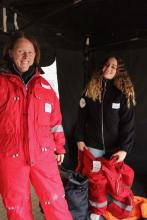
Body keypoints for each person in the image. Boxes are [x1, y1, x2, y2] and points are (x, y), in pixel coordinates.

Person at [0, 32, 72, 220]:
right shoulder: (1, 84)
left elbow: (55, 122)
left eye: (30, 52)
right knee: (17, 206)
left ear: (36, 55)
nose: (26, 56)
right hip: (11, 154)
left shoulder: (45, 86)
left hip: (43, 153)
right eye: (21, 51)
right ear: (10, 52)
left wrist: (59, 146)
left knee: (56, 200)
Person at [76, 56, 136, 220]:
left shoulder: (122, 94)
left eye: (114, 66)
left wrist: (124, 149)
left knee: (113, 180)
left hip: (114, 149)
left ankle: (115, 208)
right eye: (107, 65)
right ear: (102, 67)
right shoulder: (91, 89)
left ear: (119, 71)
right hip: (93, 146)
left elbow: (128, 125)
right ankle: (97, 212)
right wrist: (79, 138)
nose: (109, 68)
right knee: (96, 181)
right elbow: (82, 117)